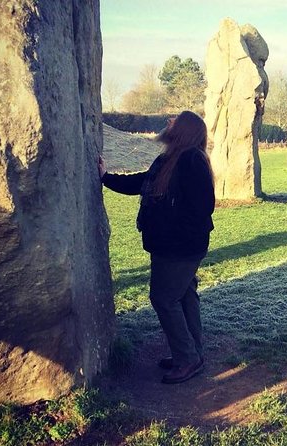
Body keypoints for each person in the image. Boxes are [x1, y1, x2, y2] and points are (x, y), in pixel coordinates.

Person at [99, 111, 215, 384]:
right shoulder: (170, 159)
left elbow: (203, 207)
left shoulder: (190, 160)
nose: (168, 123)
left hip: (179, 248)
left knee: (163, 299)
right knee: (184, 297)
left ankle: (187, 360)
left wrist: (171, 230)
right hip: (174, 245)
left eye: (173, 121)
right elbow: (142, 182)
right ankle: (190, 353)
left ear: (184, 130)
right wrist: (106, 178)